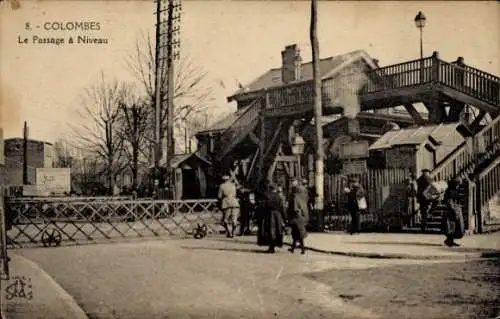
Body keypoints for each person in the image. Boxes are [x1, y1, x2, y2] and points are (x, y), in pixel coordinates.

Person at [256, 180, 286, 253]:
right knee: (277, 230)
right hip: (278, 215)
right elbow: (282, 207)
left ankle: (271, 247)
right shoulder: (278, 196)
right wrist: (284, 217)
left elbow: (262, 206)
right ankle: (274, 245)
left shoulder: (265, 194)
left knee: (269, 230)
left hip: (269, 214)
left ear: (269, 188)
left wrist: (259, 215)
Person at [287, 179, 309, 254]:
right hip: (303, 217)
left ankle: (302, 249)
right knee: (297, 233)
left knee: (297, 233)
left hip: (296, 218)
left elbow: (295, 208)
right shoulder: (304, 197)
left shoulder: (295, 197)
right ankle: (294, 248)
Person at [442, 178, 465, 247]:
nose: (458, 186)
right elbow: (449, 202)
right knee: (451, 226)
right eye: (457, 184)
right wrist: (454, 211)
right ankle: (449, 241)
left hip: (455, 209)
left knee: (455, 226)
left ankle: (450, 240)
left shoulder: (453, 190)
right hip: (451, 211)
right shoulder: (450, 191)